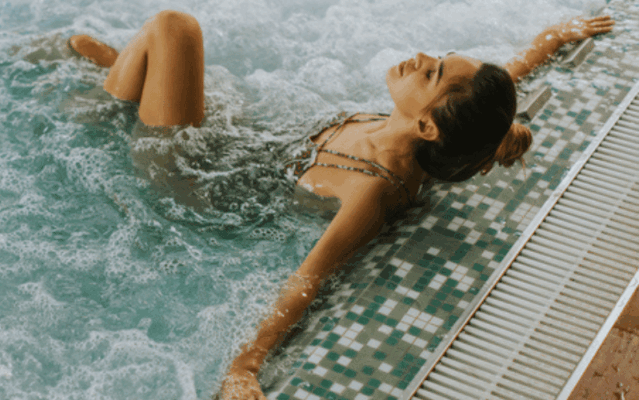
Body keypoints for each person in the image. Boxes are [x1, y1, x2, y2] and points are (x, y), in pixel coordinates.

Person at [67, 10, 614, 400]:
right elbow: (493, 97)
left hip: (192, 180)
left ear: (427, 124)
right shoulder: (434, 127)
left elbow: (309, 279)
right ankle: (118, 91)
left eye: (431, 73)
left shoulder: (373, 190)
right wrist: (553, 38)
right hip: (242, 144)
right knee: (98, 46)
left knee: (173, 29)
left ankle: (104, 105)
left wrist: (244, 366)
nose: (423, 58)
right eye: (439, 60)